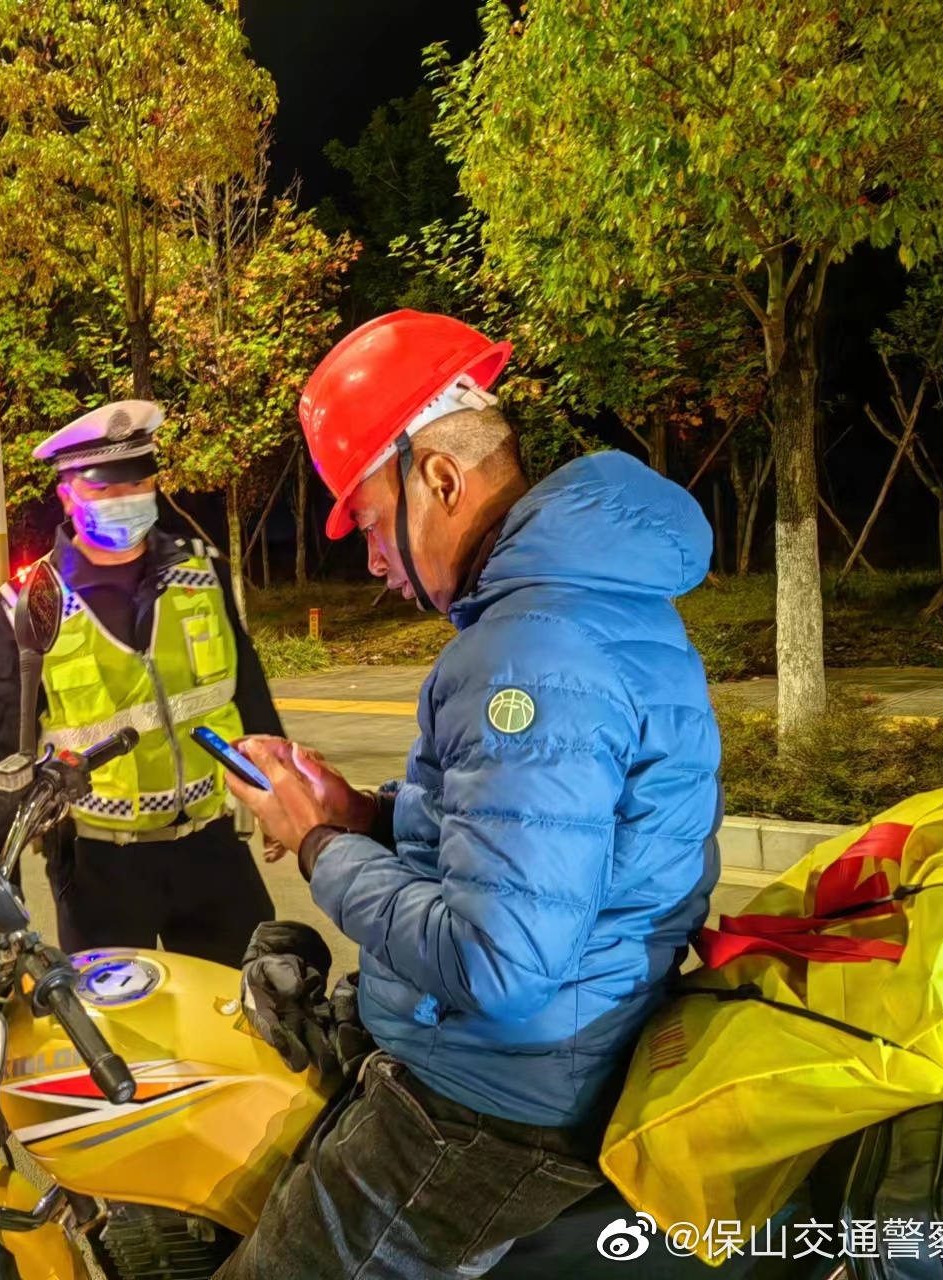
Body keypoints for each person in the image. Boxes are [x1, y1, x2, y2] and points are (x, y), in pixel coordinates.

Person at [218, 310, 722, 1279]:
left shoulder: (528, 650)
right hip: (560, 1049)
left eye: (366, 519)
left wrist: (320, 845)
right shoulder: (590, 604)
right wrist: (364, 812)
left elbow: (499, 960)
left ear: (438, 477)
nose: (369, 557)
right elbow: (530, 841)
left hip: (486, 1101)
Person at [0, 400, 281, 967]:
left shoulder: (201, 572)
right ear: (67, 493)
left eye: (139, 483)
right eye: (105, 488)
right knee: (120, 1042)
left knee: (246, 1020)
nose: (125, 499)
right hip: (97, 867)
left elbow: (245, 689)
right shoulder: (28, 603)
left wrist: (280, 795)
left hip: (213, 851)